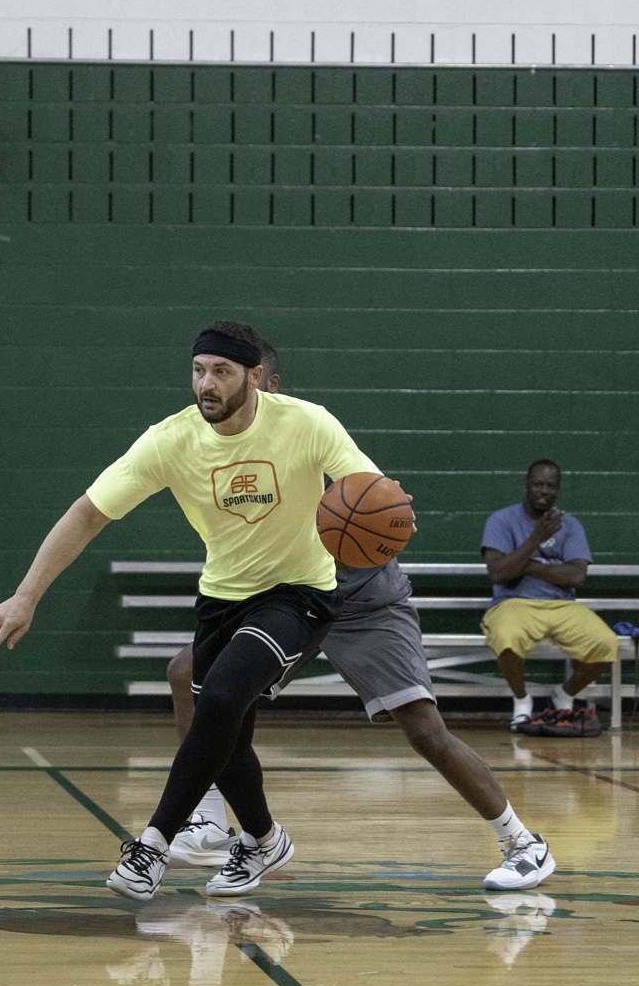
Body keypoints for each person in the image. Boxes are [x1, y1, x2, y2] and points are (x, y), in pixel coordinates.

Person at [0, 322, 377, 902]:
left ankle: (153, 846)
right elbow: (88, 513)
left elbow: (367, 487)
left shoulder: (308, 423)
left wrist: (383, 515)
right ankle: (265, 840)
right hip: (221, 598)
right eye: (198, 370)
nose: (206, 384)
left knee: (217, 698)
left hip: (299, 594)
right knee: (227, 734)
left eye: (221, 372)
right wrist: (26, 595)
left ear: (255, 377)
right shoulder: (170, 440)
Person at [163, 337, 555, 892]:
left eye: (242, 379)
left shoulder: (310, 433)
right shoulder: (219, 447)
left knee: (424, 729)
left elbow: (382, 508)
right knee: (193, 677)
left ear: (266, 384)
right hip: (287, 602)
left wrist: (373, 524)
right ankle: (216, 825)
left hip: (363, 601)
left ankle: (522, 842)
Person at [478, 461, 617, 737]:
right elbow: (499, 573)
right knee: (507, 639)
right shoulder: (501, 520)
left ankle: (564, 694)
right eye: (538, 484)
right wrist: (536, 538)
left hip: (562, 604)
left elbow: (576, 575)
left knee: (606, 644)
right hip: (513, 602)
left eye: (551, 486)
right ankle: (522, 701)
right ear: (526, 485)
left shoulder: (570, 524)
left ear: (558, 489)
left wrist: (523, 565)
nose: (544, 490)